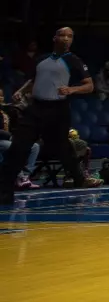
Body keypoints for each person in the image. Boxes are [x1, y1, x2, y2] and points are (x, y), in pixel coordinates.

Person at [1, 27, 95, 206]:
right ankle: (5, 193)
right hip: (35, 108)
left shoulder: (74, 60)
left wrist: (71, 90)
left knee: (62, 148)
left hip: (58, 109)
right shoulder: (42, 59)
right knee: (18, 148)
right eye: (63, 35)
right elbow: (33, 81)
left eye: (70, 36)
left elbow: (89, 86)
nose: (66, 39)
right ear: (55, 38)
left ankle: (79, 178)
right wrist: (20, 92)